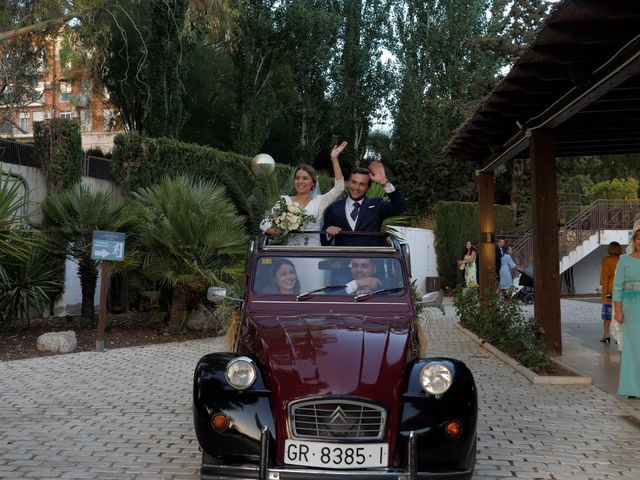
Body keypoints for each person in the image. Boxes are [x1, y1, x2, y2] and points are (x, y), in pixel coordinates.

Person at [261, 142, 346, 246]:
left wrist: (334, 159)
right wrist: (280, 233)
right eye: (297, 178)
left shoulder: (319, 201)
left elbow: (339, 188)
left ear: (313, 183)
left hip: (312, 251)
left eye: (305, 178)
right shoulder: (285, 201)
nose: (300, 181)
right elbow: (264, 223)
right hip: (289, 252)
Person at [321, 160, 408, 246]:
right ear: (348, 182)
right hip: (343, 259)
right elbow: (324, 241)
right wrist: (329, 232)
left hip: (370, 259)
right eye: (353, 182)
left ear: (368, 188)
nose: (356, 187)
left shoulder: (377, 205)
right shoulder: (334, 207)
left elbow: (401, 207)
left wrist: (384, 182)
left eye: (362, 184)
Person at [612, 229, 640, 399]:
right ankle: (631, 388)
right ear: (634, 241)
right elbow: (617, 287)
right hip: (630, 309)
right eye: (639, 238)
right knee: (632, 347)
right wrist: (618, 311)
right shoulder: (624, 261)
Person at [599, 241, 622, 343]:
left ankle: (606, 335)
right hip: (620, 289)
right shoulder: (622, 260)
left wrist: (604, 289)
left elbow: (605, 276)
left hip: (609, 288)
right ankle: (619, 337)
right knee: (619, 312)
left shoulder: (606, 260)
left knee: (607, 313)